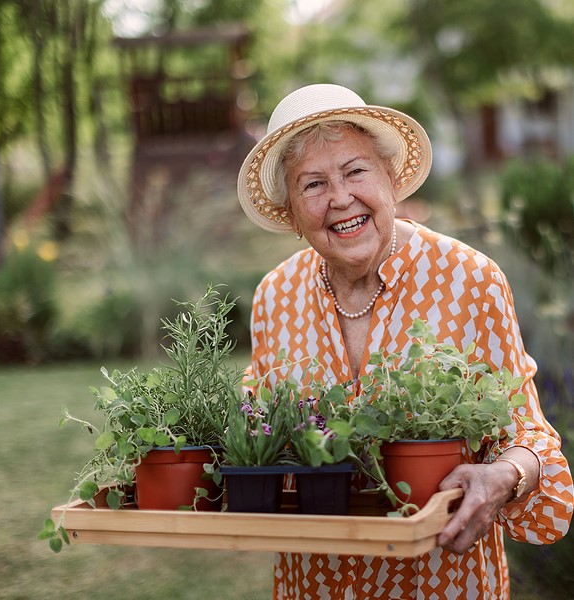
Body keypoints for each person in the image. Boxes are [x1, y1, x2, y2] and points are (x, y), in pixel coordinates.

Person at [237, 83, 573, 599]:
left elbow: (529, 436)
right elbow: (255, 429)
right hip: (314, 583)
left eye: (355, 171)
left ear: (391, 179)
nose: (340, 198)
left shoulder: (469, 279)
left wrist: (506, 475)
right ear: (291, 216)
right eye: (312, 184)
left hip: (440, 581)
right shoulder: (274, 297)